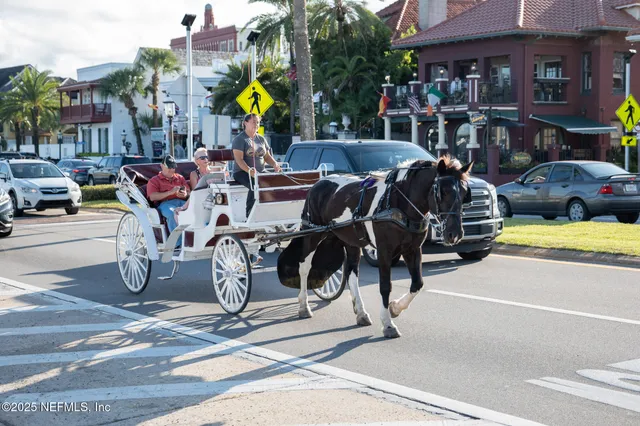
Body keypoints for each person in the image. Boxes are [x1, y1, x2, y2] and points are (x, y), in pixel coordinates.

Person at [232, 113, 281, 219]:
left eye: (258, 122)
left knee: (276, 182)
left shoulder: (261, 139)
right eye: (254, 122)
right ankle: (249, 215)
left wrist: (275, 164)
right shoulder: (240, 139)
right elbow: (239, 160)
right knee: (255, 185)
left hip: (260, 171)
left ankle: (271, 212)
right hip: (242, 172)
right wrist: (250, 171)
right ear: (245, 123)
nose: (256, 124)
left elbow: (267, 156)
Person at [147, 155, 189, 248]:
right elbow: (152, 197)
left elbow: (188, 192)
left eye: (173, 167)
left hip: (181, 202)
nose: (171, 170)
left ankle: (194, 239)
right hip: (164, 204)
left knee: (195, 209)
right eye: (169, 167)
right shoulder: (154, 181)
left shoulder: (180, 178)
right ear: (162, 166)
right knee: (172, 214)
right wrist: (170, 192)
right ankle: (178, 243)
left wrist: (185, 194)